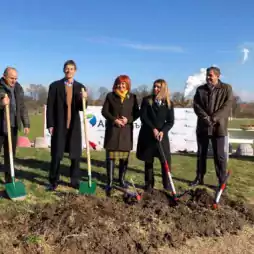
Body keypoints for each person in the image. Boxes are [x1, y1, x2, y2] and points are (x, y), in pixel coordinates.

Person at [46, 60, 87, 191]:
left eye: (71, 68)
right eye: (67, 68)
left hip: (73, 126)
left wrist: (84, 98)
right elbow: (50, 106)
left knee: (75, 155)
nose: (69, 71)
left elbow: (82, 108)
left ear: (75, 71)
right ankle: (53, 181)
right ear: (64, 70)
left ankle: (74, 181)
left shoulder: (81, 87)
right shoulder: (55, 86)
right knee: (57, 154)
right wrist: (50, 124)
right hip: (59, 124)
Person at [190, 66, 233, 187]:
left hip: (219, 127)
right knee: (201, 154)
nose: (208, 77)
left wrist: (214, 118)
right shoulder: (200, 90)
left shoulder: (226, 88)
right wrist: (205, 118)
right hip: (203, 126)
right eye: (207, 75)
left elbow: (227, 105)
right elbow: (196, 105)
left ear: (218, 76)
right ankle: (199, 178)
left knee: (219, 156)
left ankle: (221, 180)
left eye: (210, 75)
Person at [101, 75, 139, 196]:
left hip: (126, 132)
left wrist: (128, 120)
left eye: (123, 84)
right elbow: (104, 111)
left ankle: (121, 180)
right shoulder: (110, 96)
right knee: (111, 157)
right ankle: (110, 182)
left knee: (124, 157)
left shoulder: (132, 97)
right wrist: (114, 120)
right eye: (119, 84)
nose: (121, 86)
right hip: (113, 130)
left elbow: (137, 113)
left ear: (127, 85)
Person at [136, 79, 174, 192]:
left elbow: (170, 121)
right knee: (148, 161)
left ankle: (166, 185)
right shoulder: (147, 100)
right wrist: (153, 129)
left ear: (163, 89)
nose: (155, 89)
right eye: (154, 86)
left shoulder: (169, 103)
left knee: (165, 161)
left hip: (161, 138)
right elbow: (144, 117)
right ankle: (149, 185)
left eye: (158, 87)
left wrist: (163, 131)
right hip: (148, 135)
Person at [0, 67, 30, 183]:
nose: (14, 81)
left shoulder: (18, 88)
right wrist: (1, 103)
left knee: (10, 154)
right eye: (11, 78)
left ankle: (9, 179)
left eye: (16, 78)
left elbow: (22, 107)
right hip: (0, 126)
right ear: (4, 76)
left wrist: (26, 123)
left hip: (13, 126)